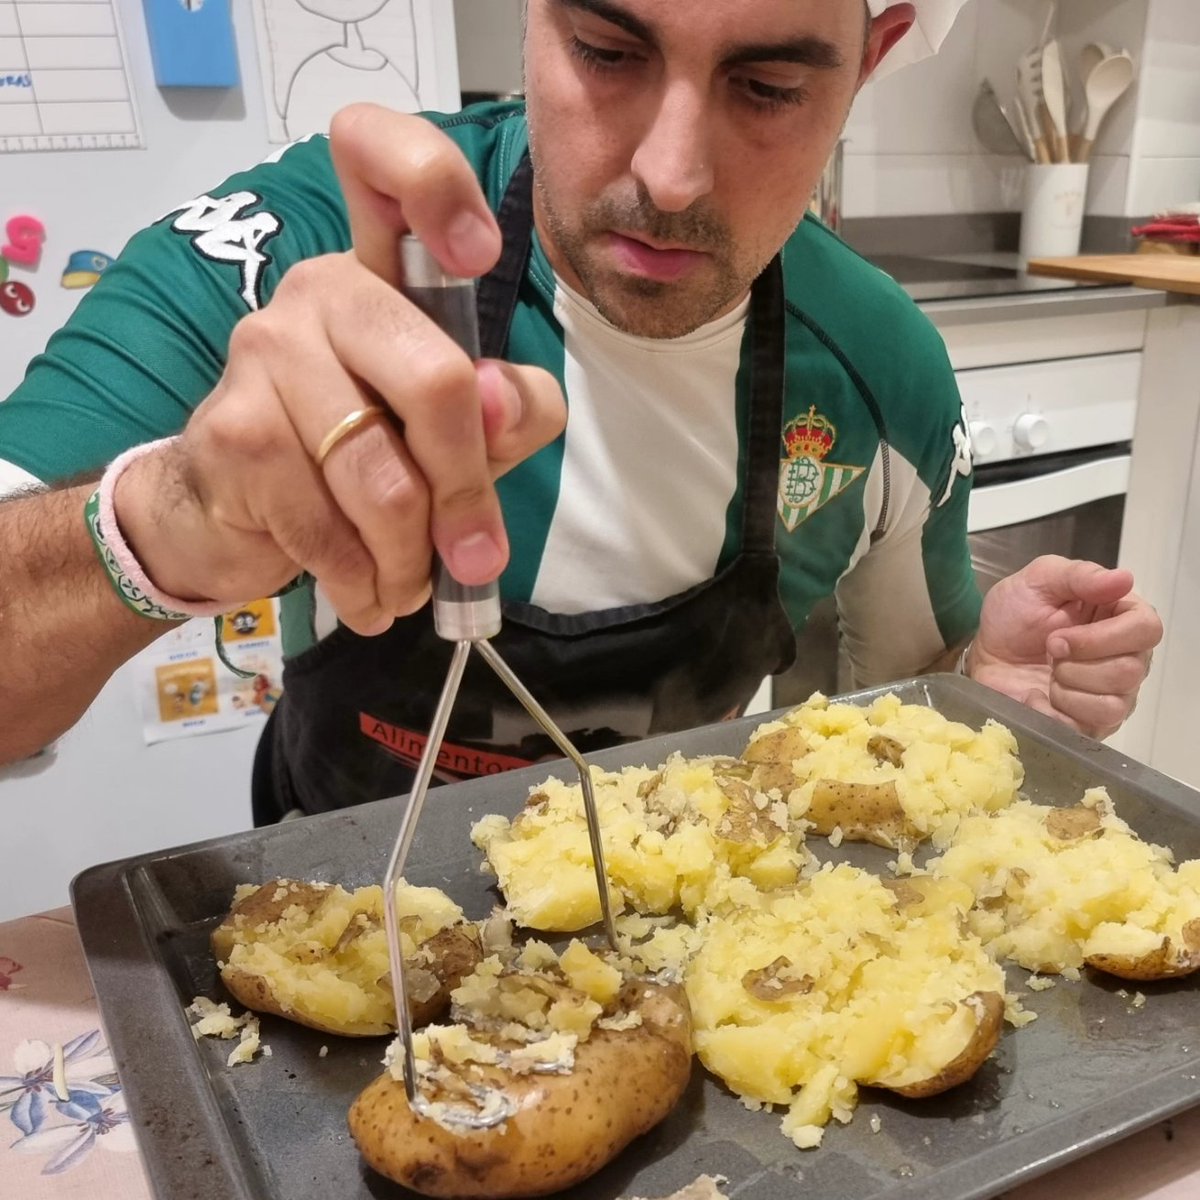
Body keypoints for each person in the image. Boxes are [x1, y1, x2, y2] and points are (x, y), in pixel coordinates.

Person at [0, 0, 1161, 822]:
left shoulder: (878, 370)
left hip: (685, 944)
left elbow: (884, 712)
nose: (670, 175)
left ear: (872, 58)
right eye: (607, 51)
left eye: (766, 87)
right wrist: (164, 519)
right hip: (343, 917)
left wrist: (984, 696)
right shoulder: (301, 257)